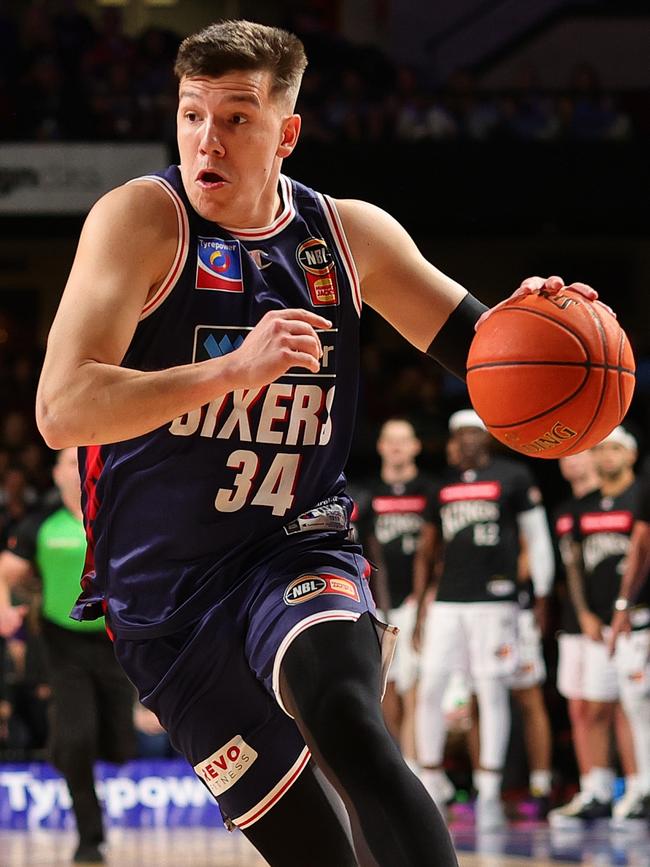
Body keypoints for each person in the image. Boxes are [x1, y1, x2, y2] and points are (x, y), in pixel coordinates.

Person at [34, 19, 598, 867]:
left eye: (236, 118)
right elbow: (62, 408)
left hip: (291, 546)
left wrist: (540, 330)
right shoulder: (140, 220)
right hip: (162, 598)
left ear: (285, 133)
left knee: (347, 718)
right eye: (191, 115)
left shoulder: (348, 236)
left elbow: (493, 364)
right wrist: (230, 372)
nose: (206, 140)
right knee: (315, 853)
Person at [415, 409, 554, 830]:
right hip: (449, 601)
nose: (457, 444)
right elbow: (430, 549)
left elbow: (538, 538)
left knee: (491, 689)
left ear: (484, 438)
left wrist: (541, 595)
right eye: (454, 437)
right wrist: (423, 603)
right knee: (430, 686)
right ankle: (431, 777)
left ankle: (489, 787)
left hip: (497, 600)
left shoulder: (513, 476)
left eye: (464, 436)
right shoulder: (443, 486)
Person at [0, 448, 135, 864]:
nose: (73, 471)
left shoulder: (119, 518)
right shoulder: (40, 525)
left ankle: (62, 746)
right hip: (62, 643)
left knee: (120, 747)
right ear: (57, 475)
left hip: (115, 640)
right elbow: (7, 570)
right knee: (79, 740)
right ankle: (89, 836)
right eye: (64, 463)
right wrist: (5, 608)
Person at [551, 427, 646, 826]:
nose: (607, 456)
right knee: (593, 707)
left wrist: (626, 606)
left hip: (635, 621)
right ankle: (599, 789)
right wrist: (585, 613)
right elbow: (572, 564)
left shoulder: (640, 496)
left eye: (615, 449)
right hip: (595, 624)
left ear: (631, 456)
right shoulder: (579, 508)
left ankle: (639, 785)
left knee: (633, 706)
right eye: (602, 449)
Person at [355, 418, 436, 768]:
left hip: (423, 602)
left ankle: (418, 765)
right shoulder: (368, 495)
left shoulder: (431, 490)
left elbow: (442, 551)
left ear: (416, 446)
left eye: (405, 440)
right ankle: (400, 760)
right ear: (381, 447)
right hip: (381, 602)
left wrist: (430, 594)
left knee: (418, 685)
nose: (398, 447)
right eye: (391, 441)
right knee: (387, 685)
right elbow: (363, 552)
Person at [550, 450, 600, 816]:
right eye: (565, 457)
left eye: (579, 455)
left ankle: (628, 784)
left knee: (608, 707)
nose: (571, 462)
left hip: (609, 620)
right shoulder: (564, 510)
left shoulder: (620, 502)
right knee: (579, 706)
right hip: (572, 621)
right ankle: (591, 785)